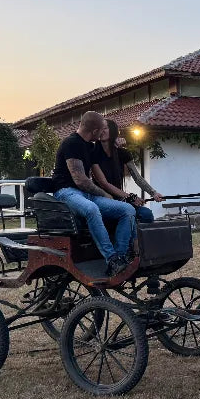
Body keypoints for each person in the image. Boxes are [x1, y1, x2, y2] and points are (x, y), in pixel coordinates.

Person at [50, 111, 137, 276]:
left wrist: (115, 142)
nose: (104, 132)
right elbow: (80, 180)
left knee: (128, 210)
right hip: (67, 192)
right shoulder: (70, 143)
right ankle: (111, 258)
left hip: (86, 194)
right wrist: (105, 195)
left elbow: (106, 148)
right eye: (102, 129)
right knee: (91, 209)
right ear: (94, 131)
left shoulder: (90, 145)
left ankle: (120, 256)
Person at [90, 119, 165, 224]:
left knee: (146, 215)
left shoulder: (122, 153)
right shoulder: (92, 152)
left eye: (105, 128)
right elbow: (103, 184)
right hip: (100, 199)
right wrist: (130, 196)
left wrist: (153, 193)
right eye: (100, 128)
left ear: (112, 131)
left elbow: (137, 177)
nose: (102, 131)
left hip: (120, 199)